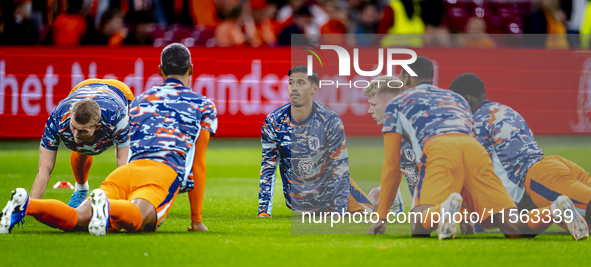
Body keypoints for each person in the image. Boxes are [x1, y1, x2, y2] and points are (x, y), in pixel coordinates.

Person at [0, 43, 217, 235]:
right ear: (191, 70)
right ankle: (107, 206)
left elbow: (133, 148)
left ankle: (28, 205)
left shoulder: (141, 100)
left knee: (77, 220)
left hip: (127, 172)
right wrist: (196, 220)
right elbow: (198, 163)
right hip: (162, 172)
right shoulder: (203, 105)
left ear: (160, 71)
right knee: (140, 221)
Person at [366, 57, 586, 240]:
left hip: (439, 149)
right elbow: (465, 145)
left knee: (419, 226)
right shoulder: (455, 99)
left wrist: (381, 216)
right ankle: (556, 210)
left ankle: (443, 212)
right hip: (475, 150)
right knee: (514, 228)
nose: (369, 110)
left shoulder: (399, 103)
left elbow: (392, 165)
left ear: (405, 78)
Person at [450, 72, 590, 238]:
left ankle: (557, 208)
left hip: (538, 179)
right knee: (585, 224)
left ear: (467, 99)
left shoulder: (475, 123)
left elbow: (478, 174)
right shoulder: (505, 110)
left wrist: (473, 215)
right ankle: (557, 209)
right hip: (552, 168)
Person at [258, 65, 373, 217]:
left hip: (333, 199)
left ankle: (381, 197)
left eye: (301, 83)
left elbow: (340, 167)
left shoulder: (330, 120)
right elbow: (268, 166)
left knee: (372, 213)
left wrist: (340, 210)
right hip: (299, 203)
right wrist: (263, 211)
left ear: (314, 88)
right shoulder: (273, 121)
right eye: (291, 82)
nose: (294, 88)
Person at [31, 78, 134, 209]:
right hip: (83, 86)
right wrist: (29, 208)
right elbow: (44, 169)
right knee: (81, 148)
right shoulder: (58, 118)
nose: (75, 135)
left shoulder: (118, 117)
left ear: (97, 127)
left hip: (121, 92)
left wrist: (125, 208)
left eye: (82, 130)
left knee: (133, 153)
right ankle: (80, 190)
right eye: (73, 127)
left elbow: (123, 166)